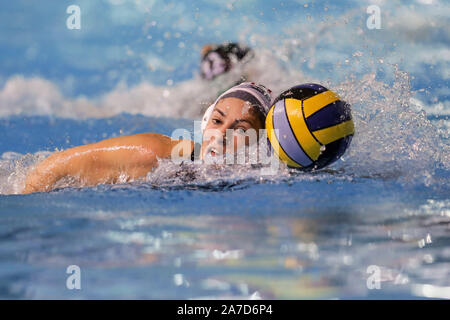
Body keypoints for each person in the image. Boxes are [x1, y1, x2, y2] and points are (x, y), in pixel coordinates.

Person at [22, 83, 272, 194]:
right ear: (205, 123)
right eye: (217, 121)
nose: (221, 135)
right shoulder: (155, 153)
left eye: (241, 130)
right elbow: (50, 168)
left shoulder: (263, 175)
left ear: (260, 144)